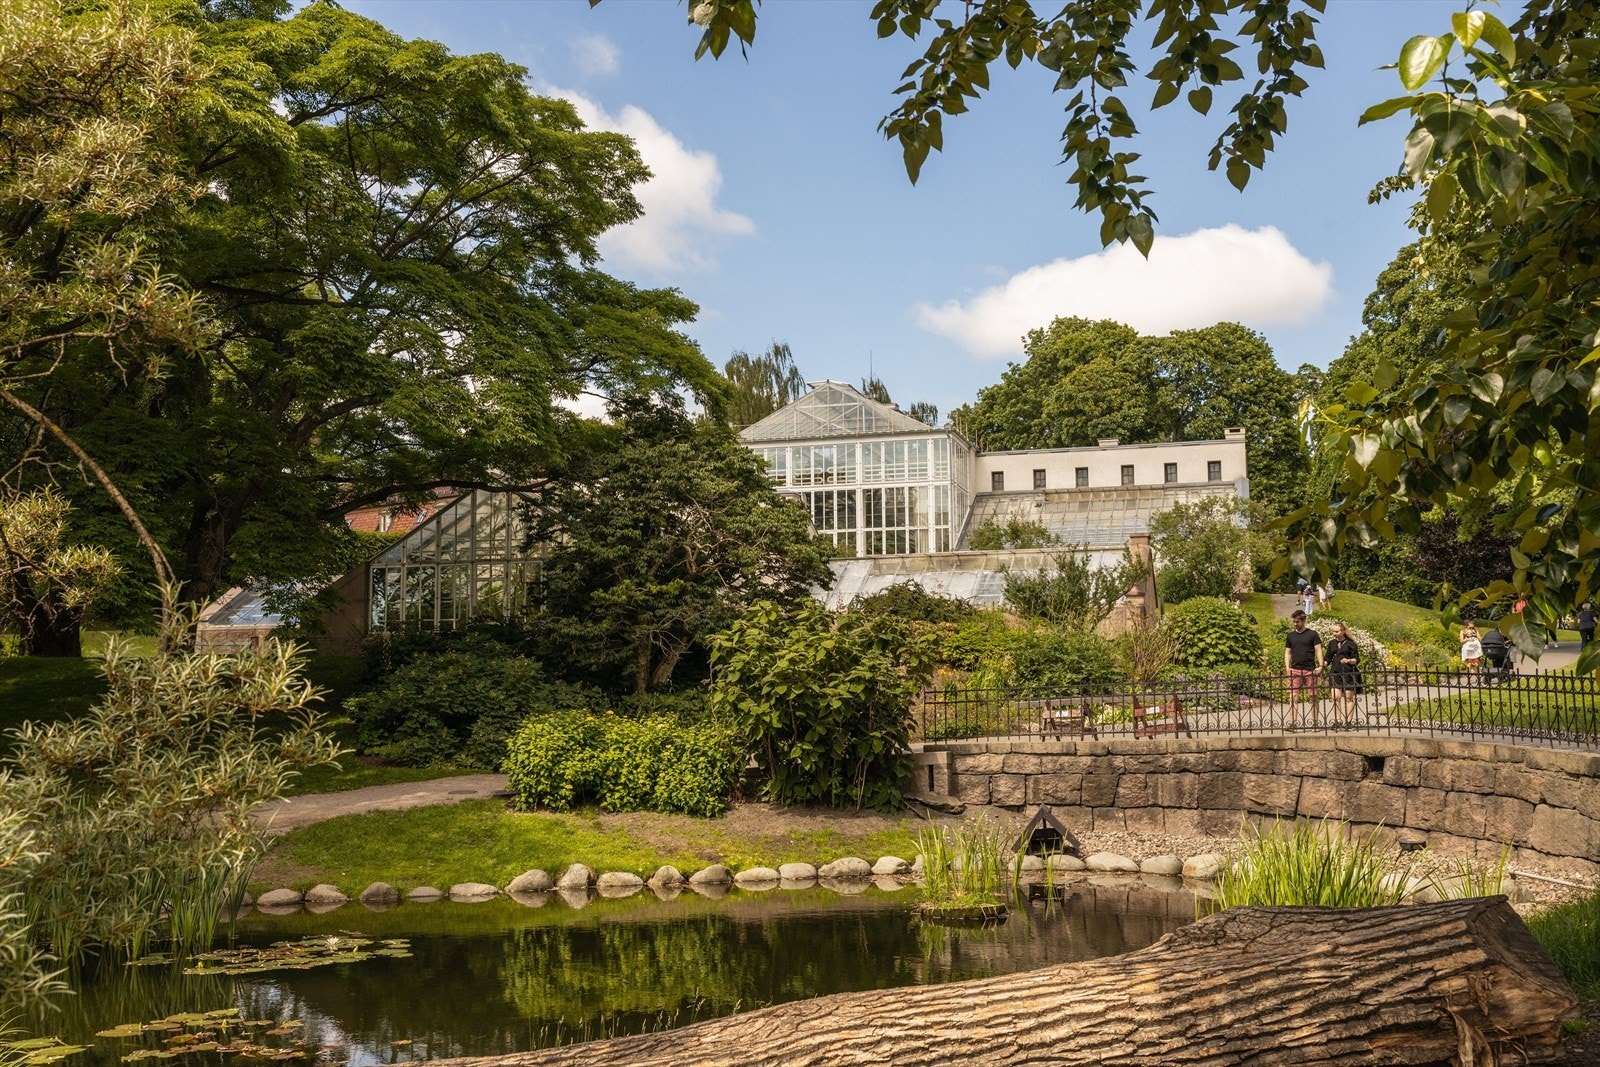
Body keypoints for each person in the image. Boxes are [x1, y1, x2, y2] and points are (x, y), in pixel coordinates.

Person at [1284, 608, 1323, 729]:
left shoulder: (1312, 634)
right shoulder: (1290, 636)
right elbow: (1288, 653)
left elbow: (1318, 650)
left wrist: (1321, 666)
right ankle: (1293, 723)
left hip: (1310, 670)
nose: (1295, 624)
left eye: (1297, 622)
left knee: (1313, 697)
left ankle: (1315, 723)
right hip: (1295, 670)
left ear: (1303, 621)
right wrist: (1287, 668)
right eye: (1294, 622)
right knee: (1293, 697)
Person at [1325, 621, 1361, 726]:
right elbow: (1328, 657)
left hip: (1348, 672)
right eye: (1333, 631)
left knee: (1349, 697)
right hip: (1335, 672)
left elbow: (1356, 659)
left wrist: (1348, 660)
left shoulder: (1351, 643)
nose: (1334, 633)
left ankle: (1349, 721)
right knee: (1336, 697)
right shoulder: (1332, 643)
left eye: (1336, 631)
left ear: (1343, 631)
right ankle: (1338, 721)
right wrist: (1322, 665)